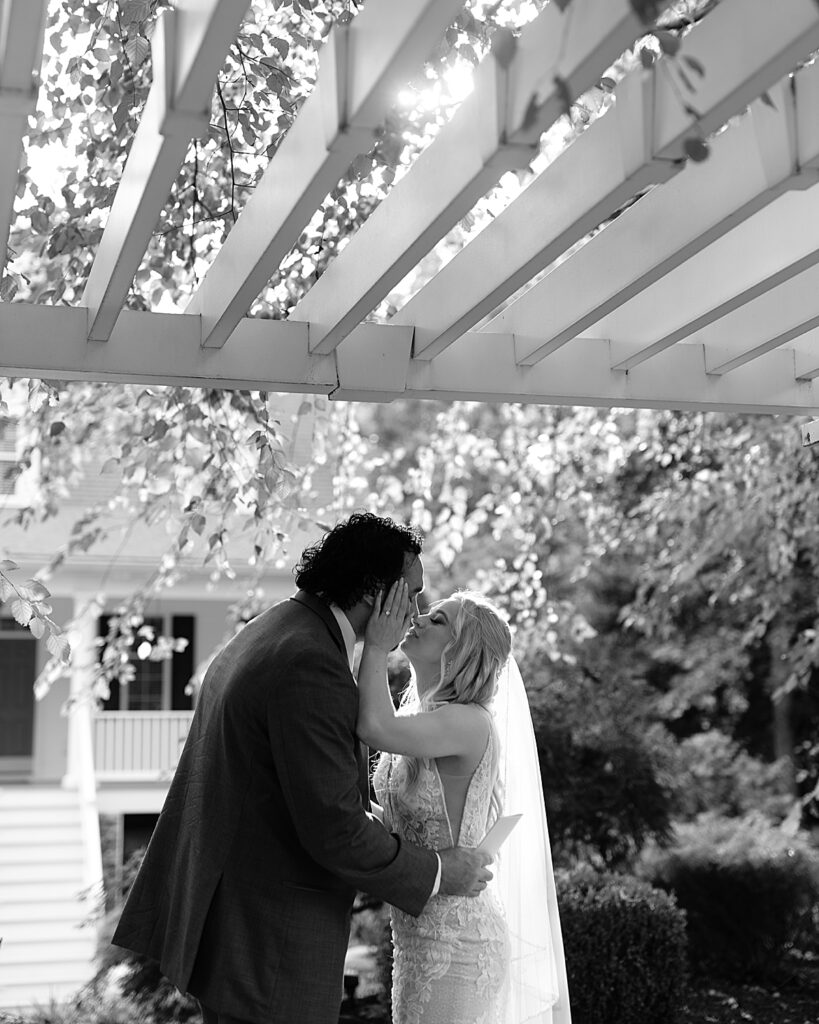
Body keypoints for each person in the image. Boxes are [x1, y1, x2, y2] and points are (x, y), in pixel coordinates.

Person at [111, 513, 492, 1024]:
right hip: (268, 943)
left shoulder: (276, 627)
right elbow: (334, 828)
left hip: (238, 925)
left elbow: (296, 787)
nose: (417, 611)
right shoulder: (309, 663)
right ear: (376, 593)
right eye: (413, 593)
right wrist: (441, 870)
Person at [358, 583, 571, 1024]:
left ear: (461, 653)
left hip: (458, 944)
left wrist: (376, 646)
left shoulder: (468, 722)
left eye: (438, 620)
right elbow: (406, 823)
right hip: (416, 938)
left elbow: (373, 728)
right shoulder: (428, 719)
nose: (417, 619)